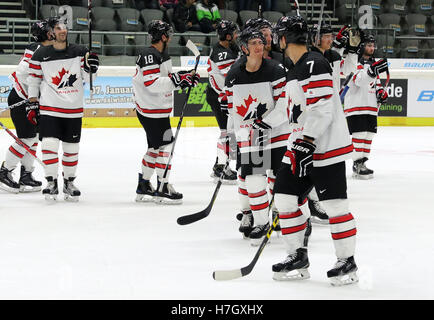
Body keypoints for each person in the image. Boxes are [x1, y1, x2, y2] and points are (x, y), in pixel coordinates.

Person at [272, 15, 358, 286]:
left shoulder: (314, 63)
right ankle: (297, 255)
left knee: (335, 206)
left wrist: (307, 140)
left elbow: (322, 108)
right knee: (285, 199)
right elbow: (295, 112)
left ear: (284, 38)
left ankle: (347, 261)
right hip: (299, 145)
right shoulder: (295, 67)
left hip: (323, 147)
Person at [222, 27, 288, 246]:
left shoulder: (276, 70)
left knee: (282, 179)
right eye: (253, 44)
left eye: (261, 43)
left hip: (277, 133)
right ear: (244, 48)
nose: (259, 47)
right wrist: (230, 136)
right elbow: (233, 110)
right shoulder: (233, 75)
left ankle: (285, 215)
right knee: (253, 180)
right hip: (251, 136)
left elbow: (285, 103)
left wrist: (267, 123)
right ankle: (261, 222)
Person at [27, 17, 99, 202]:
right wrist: (32, 103)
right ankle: (51, 182)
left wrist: (93, 67)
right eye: (58, 28)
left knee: (71, 149)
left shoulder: (80, 51)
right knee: (49, 146)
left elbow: (90, 77)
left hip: (73, 109)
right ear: (51, 32)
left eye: (65, 28)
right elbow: (33, 80)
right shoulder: (40, 54)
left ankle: (69, 182)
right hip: (50, 108)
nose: (63, 31)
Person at [133, 20, 200, 205]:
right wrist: (179, 80)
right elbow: (152, 83)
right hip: (151, 111)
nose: (170, 37)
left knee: (155, 148)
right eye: (168, 33)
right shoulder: (149, 55)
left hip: (155, 109)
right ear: (163, 36)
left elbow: (166, 78)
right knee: (166, 147)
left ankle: (144, 185)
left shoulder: (161, 54)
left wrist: (184, 76)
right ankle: (162, 186)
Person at [306, 23, 359, 224]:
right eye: (325, 36)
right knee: (312, 157)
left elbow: (349, 70)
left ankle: (316, 198)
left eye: (330, 36)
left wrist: (352, 50)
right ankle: (310, 199)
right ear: (315, 38)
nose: (329, 39)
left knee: (325, 158)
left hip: (332, 110)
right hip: (313, 112)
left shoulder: (334, 56)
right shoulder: (309, 58)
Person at [0, 19, 54, 194]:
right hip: (22, 100)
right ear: (46, 34)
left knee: (34, 137)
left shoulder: (43, 49)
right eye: (51, 30)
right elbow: (24, 72)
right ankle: (5, 171)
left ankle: (26, 174)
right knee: (26, 139)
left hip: (31, 101)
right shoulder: (38, 50)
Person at [343, 34, 388, 179]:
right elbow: (358, 81)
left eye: (373, 45)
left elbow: (377, 83)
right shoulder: (354, 62)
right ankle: (356, 163)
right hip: (356, 105)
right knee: (359, 134)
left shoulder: (373, 63)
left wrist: (381, 92)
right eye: (369, 45)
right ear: (362, 46)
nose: (372, 48)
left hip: (370, 105)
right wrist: (372, 71)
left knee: (369, 135)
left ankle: (363, 162)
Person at [206, 20, 239, 184]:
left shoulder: (228, 48)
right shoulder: (222, 53)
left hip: (221, 95)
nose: (237, 35)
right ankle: (220, 167)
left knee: (228, 133)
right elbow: (233, 76)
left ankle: (219, 165)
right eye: (234, 33)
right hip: (219, 97)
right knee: (226, 133)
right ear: (227, 36)